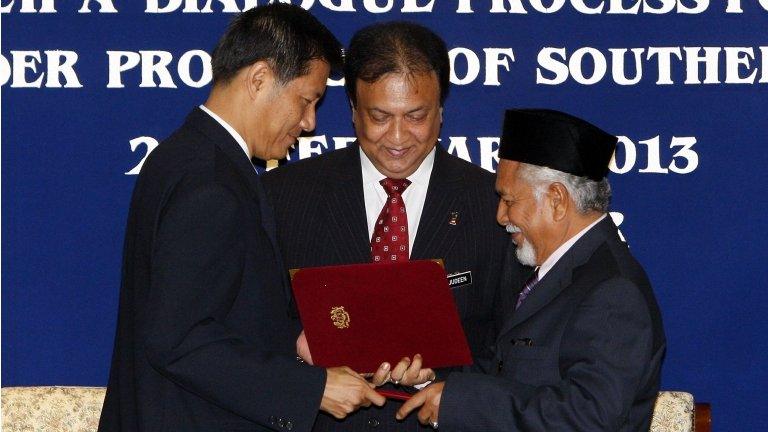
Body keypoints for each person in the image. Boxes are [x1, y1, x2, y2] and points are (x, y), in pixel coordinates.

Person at [98, 5, 386, 432]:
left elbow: (219, 312)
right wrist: (311, 389)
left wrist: (297, 342)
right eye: (307, 101)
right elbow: (178, 340)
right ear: (259, 79)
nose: (309, 124)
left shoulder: (187, 157)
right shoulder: (211, 182)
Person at [262, 22, 522, 431]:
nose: (398, 138)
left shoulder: (492, 204)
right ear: (351, 110)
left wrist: (444, 382)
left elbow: (512, 348)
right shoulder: (285, 196)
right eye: (379, 117)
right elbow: (251, 330)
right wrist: (302, 355)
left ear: (441, 112)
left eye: (416, 116)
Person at [397, 109, 666, 431]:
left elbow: (588, 417)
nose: (500, 216)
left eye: (509, 201)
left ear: (556, 199)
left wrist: (459, 403)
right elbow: (508, 371)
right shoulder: (556, 271)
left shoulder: (612, 290)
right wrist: (431, 379)